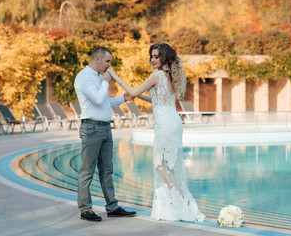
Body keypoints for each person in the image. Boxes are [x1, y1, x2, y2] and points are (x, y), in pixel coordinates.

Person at [107, 43, 206, 222]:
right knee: (168, 166)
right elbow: (157, 99)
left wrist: (115, 77)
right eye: (151, 56)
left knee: (160, 165)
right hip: (174, 122)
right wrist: (139, 96)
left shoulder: (157, 75)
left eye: (156, 56)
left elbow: (133, 91)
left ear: (164, 58)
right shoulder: (169, 76)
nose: (152, 59)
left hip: (166, 125)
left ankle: (181, 200)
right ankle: (180, 200)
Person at [74, 46, 136, 222]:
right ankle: (85, 209)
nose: (109, 65)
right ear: (97, 59)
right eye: (107, 61)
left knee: (107, 170)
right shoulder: (83, 77)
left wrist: (123, 98)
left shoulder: (99, 77)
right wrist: (107, 81)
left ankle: (112, 206)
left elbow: (104, 102)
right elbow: (97, 98)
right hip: (91, 128)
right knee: (87, 170)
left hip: (105, 128)